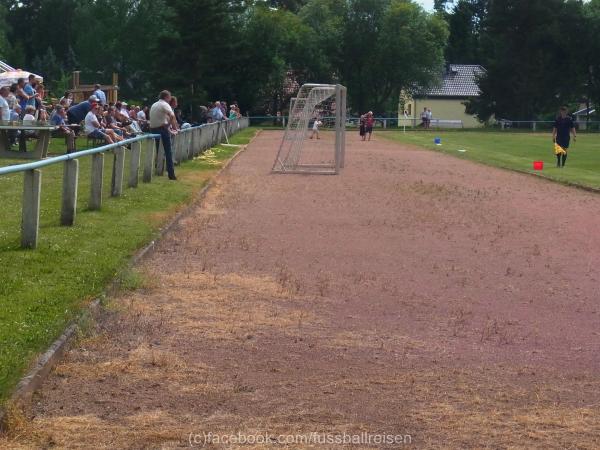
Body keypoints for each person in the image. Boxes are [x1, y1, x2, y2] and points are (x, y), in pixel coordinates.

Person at [150, 90, 179, 180]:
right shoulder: (165, 104)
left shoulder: (154, 104)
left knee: (159, 151)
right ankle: (171, 174)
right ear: (166, 97)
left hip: (153, 130)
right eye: (170, 97)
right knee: (168, 152)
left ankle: (158, 170)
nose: (170, 99)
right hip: (162, 129)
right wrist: (174, 128)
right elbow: (172, 116)